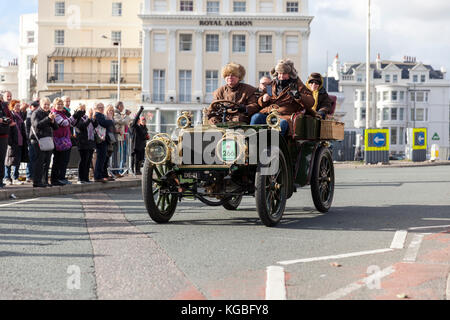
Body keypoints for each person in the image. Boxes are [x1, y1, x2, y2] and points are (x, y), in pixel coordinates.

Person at [251, 59, 316, 136]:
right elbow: (261, 102)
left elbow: (310, 102)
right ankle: (252, 143)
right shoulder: (270, 86)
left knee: (281, 124)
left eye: (284, 73)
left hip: (285, 116)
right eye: (279, 73)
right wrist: (263, 99)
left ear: (290, 74)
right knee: (256, 118)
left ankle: (274, 146)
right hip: (269, 113)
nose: (281, 76)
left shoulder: (297, 85)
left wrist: (298, 96)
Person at [50, 98, 81, 186]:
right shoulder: (55, 113)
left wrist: (77, 116)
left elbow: (71, 123)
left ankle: (62, 177)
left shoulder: (62, 113)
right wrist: (74, 116)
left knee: (64, 160)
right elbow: (64, 123)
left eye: (61, 104)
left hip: (65, 139)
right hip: (58, 140)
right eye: (58, 104)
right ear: (54, 105)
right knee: (58, 160)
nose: (60, 106)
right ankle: (56, 179)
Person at [30, 97, 58, 188]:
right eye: (45, 104)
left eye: (48, 104)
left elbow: (56, 127)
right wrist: (48, 119)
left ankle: (44, 180)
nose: (46, 106)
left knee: (47, 161)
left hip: (47, 140)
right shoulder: (36, 113)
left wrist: (52, 120)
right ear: (41, 104)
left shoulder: (49, 113)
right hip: (38, 140)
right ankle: (37, 181)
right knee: (40, 161)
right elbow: (37, 125)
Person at [4, 100, 28, 185]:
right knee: (8, 160)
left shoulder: (20, 115)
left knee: (17, 161)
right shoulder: (11, 115)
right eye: (16, 106)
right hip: (12, 141)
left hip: (19, 141)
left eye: (19, 106)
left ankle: (15, 177)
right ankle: (7, 178)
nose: (18, 107)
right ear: (12, 106)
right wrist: (10, 141)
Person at [74, 104, 97, 184]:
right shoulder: (77, 118)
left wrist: (93, 118)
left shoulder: (87, 118)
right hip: (82, 142)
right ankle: (80, 178)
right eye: (81, 109)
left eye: (84, 109)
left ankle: (86, 178)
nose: (83, 111)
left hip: (90, 141)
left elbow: (95, 125)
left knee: (88, 160)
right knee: (83, 160)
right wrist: (89, 119)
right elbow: (82, 127)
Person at [93, 102, 114, 183]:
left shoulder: (102, 115)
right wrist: (110, 119)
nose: (101, 108)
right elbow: (105, 123)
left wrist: (109, 120)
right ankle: (98, 176)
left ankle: (101, 175)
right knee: (100, 158)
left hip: (103, 138)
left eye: (102, 107)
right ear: (96, 108)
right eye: (99, 107)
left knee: (103, 158)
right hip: (100, 139)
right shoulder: (98, 115)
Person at [112, 101, 131, 176]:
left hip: (119, 137)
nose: (123, 108)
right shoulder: (116, 114)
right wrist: (127, 115)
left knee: (117, 155)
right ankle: (115, 171)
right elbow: (123, 122)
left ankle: (116, 171)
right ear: (119, 106)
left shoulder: (118, 114)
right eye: (122, 106)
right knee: (115, 155)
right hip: (116, 137)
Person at [129, 106, 149, 175]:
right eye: (142, 120)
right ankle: (134, 170)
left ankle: (138, 170)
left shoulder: (144, 128)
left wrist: (146, 137)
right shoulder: (135, 126)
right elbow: (135, 120)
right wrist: (140, 110)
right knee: (135, 158)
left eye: (144, 120)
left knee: (141, 159)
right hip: (136, 145)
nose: (143, 121)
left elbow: (144, 136)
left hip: (142, 145)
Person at [0, 91, 14, 188]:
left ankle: (0, 180)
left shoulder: (4, 105)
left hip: (3, 135)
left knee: (1, 159)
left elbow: (10, 119)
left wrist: (5, 120)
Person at [25, 100, 39, 183]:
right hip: (31, 139)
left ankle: (33, 175)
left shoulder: (37, 114)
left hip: (36, 139)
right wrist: (29, 139)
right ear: (30, 107)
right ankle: (29, 175)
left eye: (37, 106)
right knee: (31, 158)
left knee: (35, 158)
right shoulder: (29, 116)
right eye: (34, 106)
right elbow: (27, 130)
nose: (36, 108)